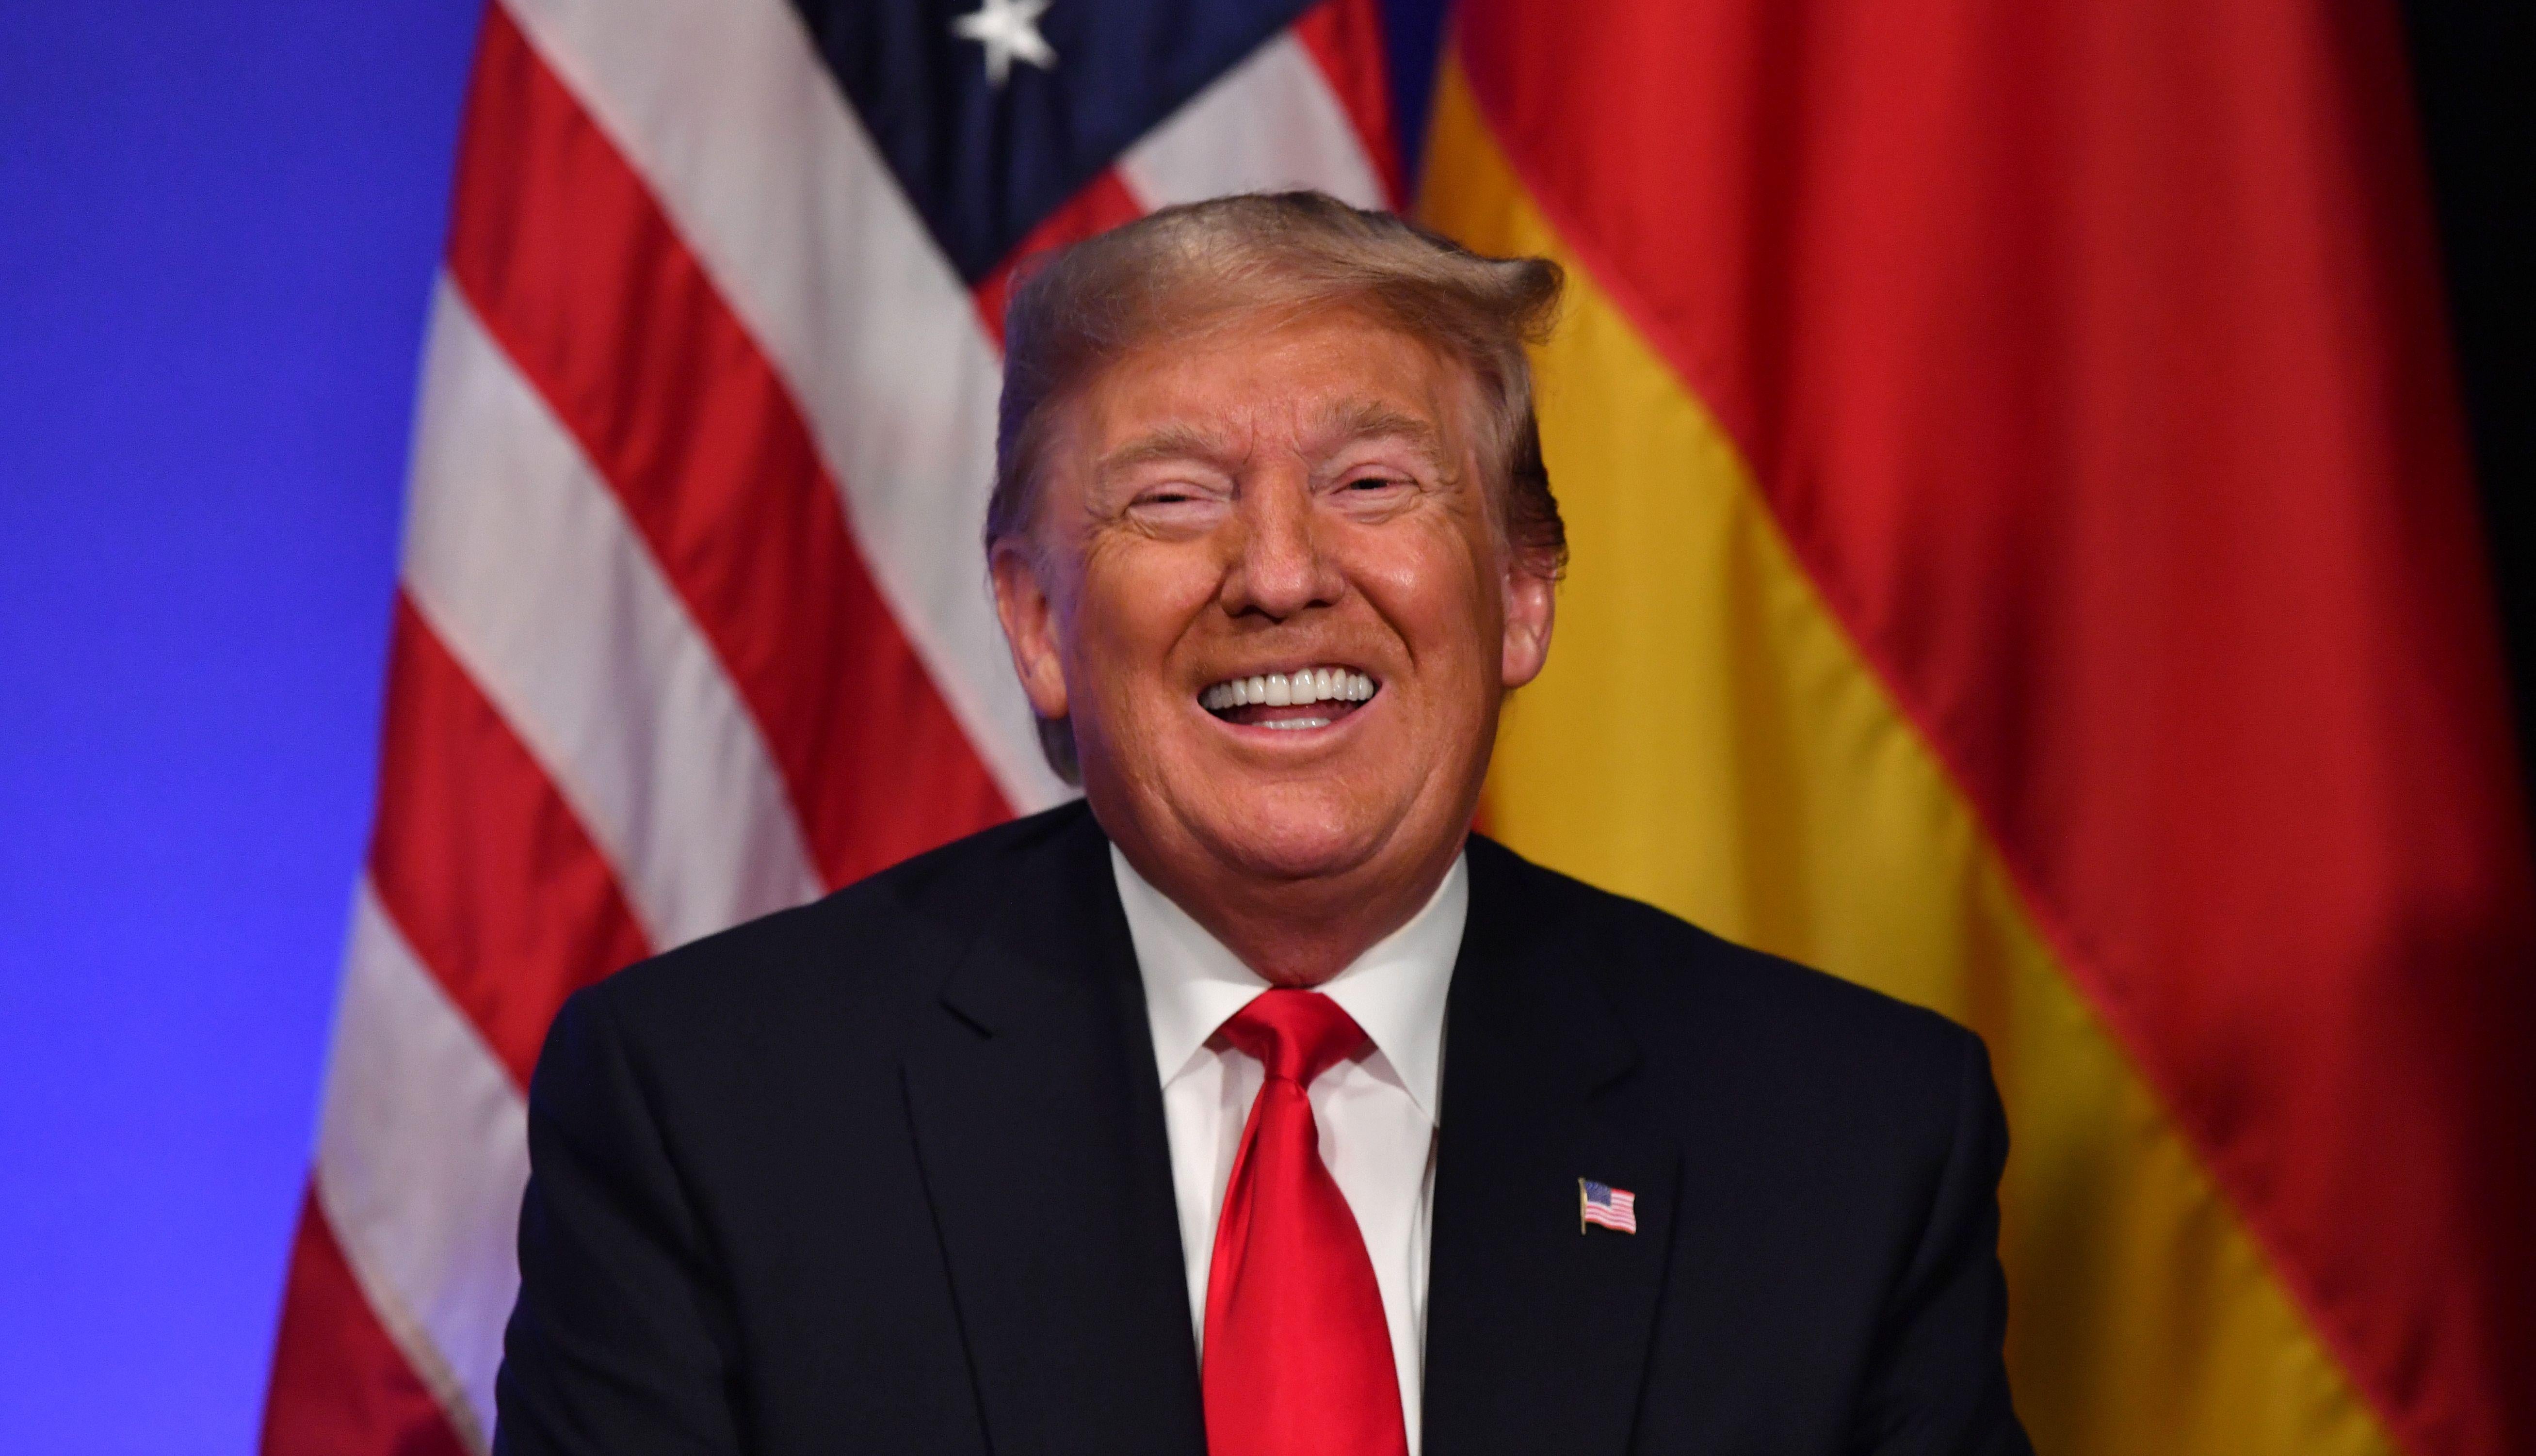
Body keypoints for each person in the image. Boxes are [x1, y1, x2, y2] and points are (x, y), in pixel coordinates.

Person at [493, 192, 2033, 1455]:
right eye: (1175, 499)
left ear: (1519, 594)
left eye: (1373, 483)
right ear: (1035, 622)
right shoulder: (714, 1114)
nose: (1282, 575)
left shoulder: (1843, 1141)